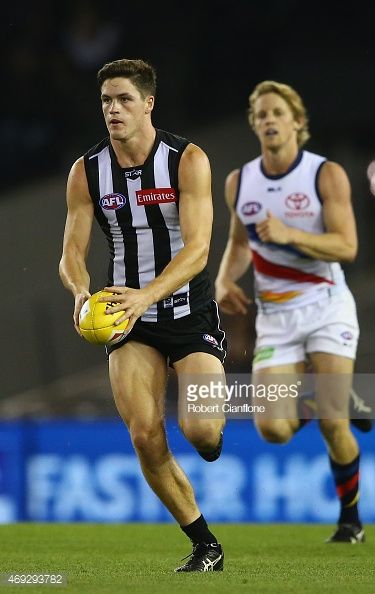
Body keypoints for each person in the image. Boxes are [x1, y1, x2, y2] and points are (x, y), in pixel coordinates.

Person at [59, 58, 226, 571]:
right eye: (107, 100)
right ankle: (205, 544)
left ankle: (215, 432)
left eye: (124, 99)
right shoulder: (87, 171)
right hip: (130, 321)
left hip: (188, 311)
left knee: (201, 433)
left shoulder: (186, 160)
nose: (113, 109)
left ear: (148, 103)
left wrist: (146, 295)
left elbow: (198, 250)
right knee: (143, 433)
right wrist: (81, 294)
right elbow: (70, 252)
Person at [215, 80, 370, 543]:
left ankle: (351, 521)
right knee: (273, 429)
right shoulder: (240, 183)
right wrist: (225, 278)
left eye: (277, 113)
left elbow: (346, 245)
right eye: (260, 115)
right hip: (276, 316)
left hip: (326, 306)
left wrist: (290, 234)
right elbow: (240, 242)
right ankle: (326, 398)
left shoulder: (325, 174)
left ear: (297, 123)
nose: (268, 121)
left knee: (333, 422)